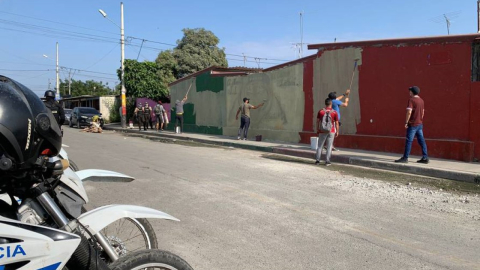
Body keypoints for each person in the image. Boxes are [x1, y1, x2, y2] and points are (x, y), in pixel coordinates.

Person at [395, 86, 429, 164]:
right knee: (422, 141)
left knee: (409, 141)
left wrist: (406, 122)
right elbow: (423, 113)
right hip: (420, 124)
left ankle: (405, 158)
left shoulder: (411, 100)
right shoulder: (421, 101)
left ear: (412, 92)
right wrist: (419, 120)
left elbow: (409, 112)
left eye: (410, 91)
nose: (409, 92)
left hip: (412, 125)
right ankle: (425, 157)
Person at [315, 98, 339, 166]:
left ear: (325, 103)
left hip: (322, 131)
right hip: (331, 131)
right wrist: (337, 131)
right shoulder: (334, 112)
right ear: (331, 103)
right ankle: (327, 161)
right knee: (329, 146)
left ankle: (317, 161)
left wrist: (317, 129)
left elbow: (317, 121)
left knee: (320, 146)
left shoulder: (321, 111)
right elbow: (336, 123)